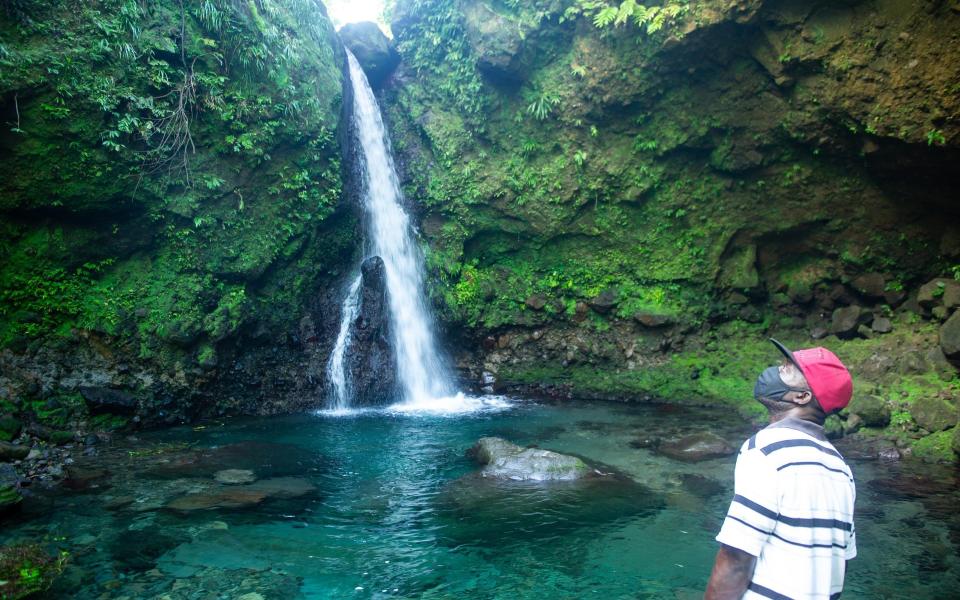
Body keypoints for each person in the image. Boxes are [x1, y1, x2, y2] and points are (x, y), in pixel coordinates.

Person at [705, 339, 856, 600]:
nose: (775, 370)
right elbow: (840, 563)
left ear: (801, 396)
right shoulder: (841, 468)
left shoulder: (766, 449)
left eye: (786, 369)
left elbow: (736, 558)